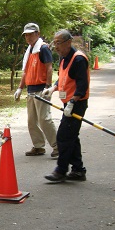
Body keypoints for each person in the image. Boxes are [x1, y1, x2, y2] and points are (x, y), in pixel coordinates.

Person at [44, 29, 90, 183]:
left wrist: (72, 102)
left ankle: (61, 170)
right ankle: (78, 170)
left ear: (68, 42)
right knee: (71, 136)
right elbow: (62, 79)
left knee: (63, 137)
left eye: (58, 43)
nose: (56, 47)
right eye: (54, 43)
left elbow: (82, 85)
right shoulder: (64, 58)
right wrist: (53, 88)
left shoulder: (78, 59)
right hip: (68, 103)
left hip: (76, 104)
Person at [13, 22, 58, 158]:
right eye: (26, 35)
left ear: (37, 34)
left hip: (41, 89)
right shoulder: (30, 50)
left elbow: (49, 67)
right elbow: (25, 72)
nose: (28, 37)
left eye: (30, 34)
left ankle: (57, 146)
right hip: (31, 90)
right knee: (31, 121)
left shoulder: (43, 48)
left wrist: (47, 86)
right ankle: (38, 146)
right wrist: (20, 88)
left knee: (44, 119)